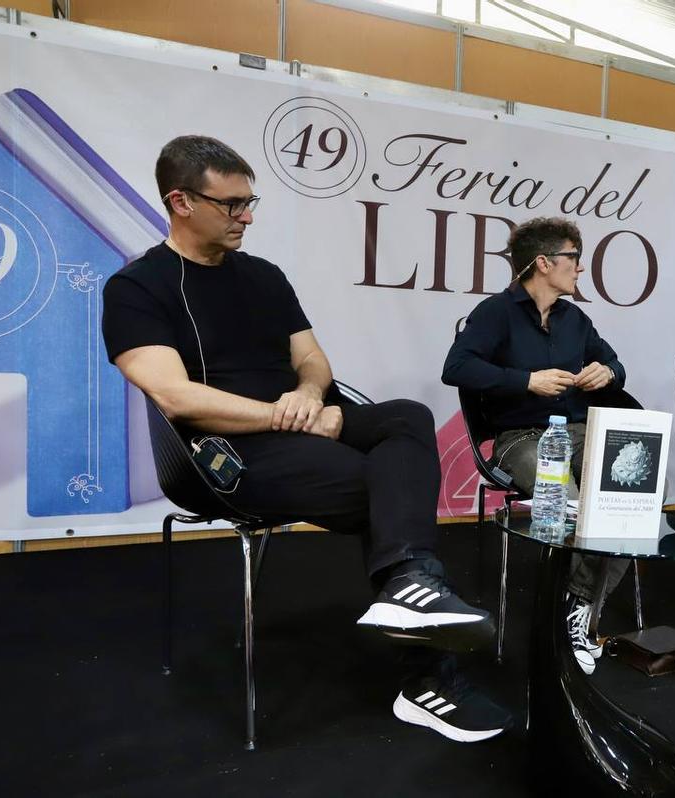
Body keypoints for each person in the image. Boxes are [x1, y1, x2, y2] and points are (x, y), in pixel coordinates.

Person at [101, 135, 508, 743]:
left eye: (250, 201)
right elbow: (176, 397)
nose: (248, 216)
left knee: (406, 417)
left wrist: (312, 397)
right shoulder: (137, 287)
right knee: (386, 488)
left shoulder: (264, 276)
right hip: (225, 454)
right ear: (180, 201)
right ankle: (429, 678)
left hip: (306, 422)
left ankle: (408, 587)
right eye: (232, 204)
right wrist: (284, 415)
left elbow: (313, 359)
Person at [442, 216, 628, 676]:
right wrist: (526, 381)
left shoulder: (575, 319)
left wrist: (608, 371)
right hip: (520, 437)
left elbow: (613, 363)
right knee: (567, 507)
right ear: (543, 263)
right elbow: (456, 368)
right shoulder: (495, 313)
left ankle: (578, 606)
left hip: (580, 431)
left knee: (629, 495)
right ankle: (575, 612)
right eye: (573, 259)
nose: (580, 269)